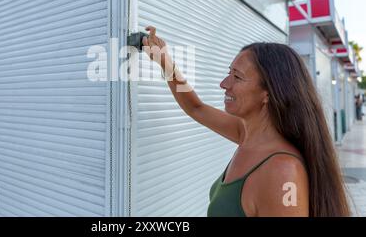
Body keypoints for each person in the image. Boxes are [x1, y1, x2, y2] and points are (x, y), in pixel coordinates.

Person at [141, 25, 350, 217]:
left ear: (268, 93)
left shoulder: (283, 171)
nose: (224, 84)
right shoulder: (247, 135)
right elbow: (197, 108)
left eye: (237, 77)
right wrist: (165, 62)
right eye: (228, 73)